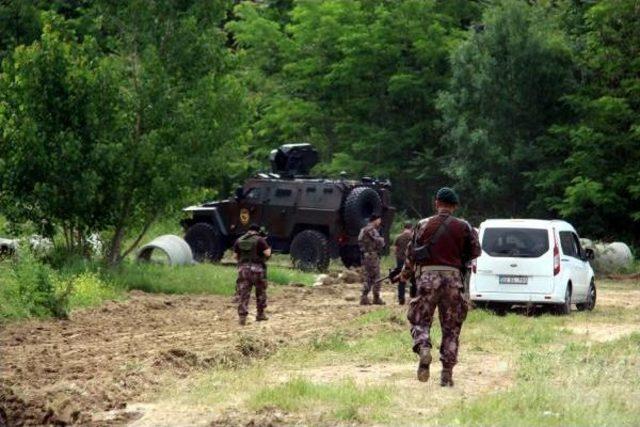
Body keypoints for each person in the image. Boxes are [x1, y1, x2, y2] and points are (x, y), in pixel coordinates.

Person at [400, 187, 481, 387]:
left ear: (436, 203)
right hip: (453, 280)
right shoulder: (464, 226)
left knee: (419, 321)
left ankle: (424, 347)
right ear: (455, 206)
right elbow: (476, 251)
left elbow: (411, 256)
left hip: (428, 279)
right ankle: (446, 375)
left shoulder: (422, 224)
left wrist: (403, 275)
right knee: (451, 329)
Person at [233, 223, 272, 325]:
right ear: (258, 231)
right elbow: (267, 253)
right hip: (257, 270)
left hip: (243, 270)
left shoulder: (239, 240)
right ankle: (260, 314)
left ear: (249, 230)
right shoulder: (260, 240)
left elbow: (235, 256)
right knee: (260, 292)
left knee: (243, 293)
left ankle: (242, 317)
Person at [358, 214, 386, 305]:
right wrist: (382, 240)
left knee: (368, 276)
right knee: (376, 277)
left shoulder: (363, 229)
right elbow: (379, 241)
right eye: (379, 220)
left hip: (366, 255)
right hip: (372, 256)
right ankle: (375, 297)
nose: (380, 222)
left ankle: (364, 297)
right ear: (375, 220)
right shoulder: (371, 230)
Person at [394, 222, 416, 305]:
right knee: (413, 279)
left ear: (404, 228)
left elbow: (395, 250)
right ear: (411, 228)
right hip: (410, 261)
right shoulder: (413, 237)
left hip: (400, 260)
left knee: (401, 279)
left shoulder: (398, 237)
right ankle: (412, 297)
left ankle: (401, 299)